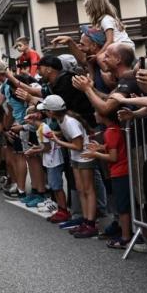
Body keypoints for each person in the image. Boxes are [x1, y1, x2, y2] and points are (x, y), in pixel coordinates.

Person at [38, 95, 98, 239]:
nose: (45, 113)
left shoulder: (69, 121)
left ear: (52, 112)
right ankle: (85, 220)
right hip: (76, 157)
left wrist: (57, 140)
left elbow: (77, 145)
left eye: (46, 111)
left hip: (84, 156)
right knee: (81, 189)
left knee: (88, 189)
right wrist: (55, 134)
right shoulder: (62, 119)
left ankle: (91, 223)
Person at [82, 111, 131, 248]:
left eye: (97, 111)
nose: (95, 114)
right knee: (123, 205)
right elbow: (114, 148)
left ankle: (125, 237)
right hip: (121, 171)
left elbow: (113, 157)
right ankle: (125, 233)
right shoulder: (115, 129)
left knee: (122, 207)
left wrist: (95, 154)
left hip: (119, 171)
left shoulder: (110, 132)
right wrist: (101, 148)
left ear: (105, 115)